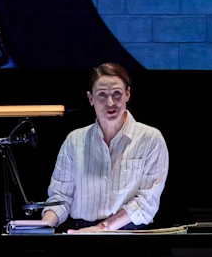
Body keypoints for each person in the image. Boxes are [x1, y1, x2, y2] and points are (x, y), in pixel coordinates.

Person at [40, 63, 169, 233]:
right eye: (102, 95)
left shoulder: (150, 139)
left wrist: (100, 228)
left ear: (127, 94)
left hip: (131, 235)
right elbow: (61, 198)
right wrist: (42, 227)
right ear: (90, 98)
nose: (110, 102)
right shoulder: (74, 140)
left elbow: (146, 202)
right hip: (82, 234)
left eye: (117, 94)